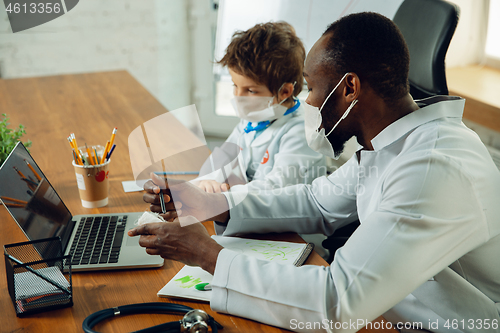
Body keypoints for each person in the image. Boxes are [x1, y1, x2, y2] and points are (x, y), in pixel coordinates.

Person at [129, 12, 500, 333]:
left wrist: (207, 254)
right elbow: (317, 202)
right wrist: (215, 203)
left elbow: (336, 302)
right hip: (389, 312)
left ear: (349, 88)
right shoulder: (395, 141)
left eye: (312, 86)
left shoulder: (431, 169)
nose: (306, 101)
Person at [194, 22, 325, 194]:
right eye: (235, 86)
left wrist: (223, 198)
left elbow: (275, 188)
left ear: (284, 91)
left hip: (287, 217)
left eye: (250, 90)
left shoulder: (302, 131)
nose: (238, 97)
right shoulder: (253, 119)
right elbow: (221, 159)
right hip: (250, 210)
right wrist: (204, 183)